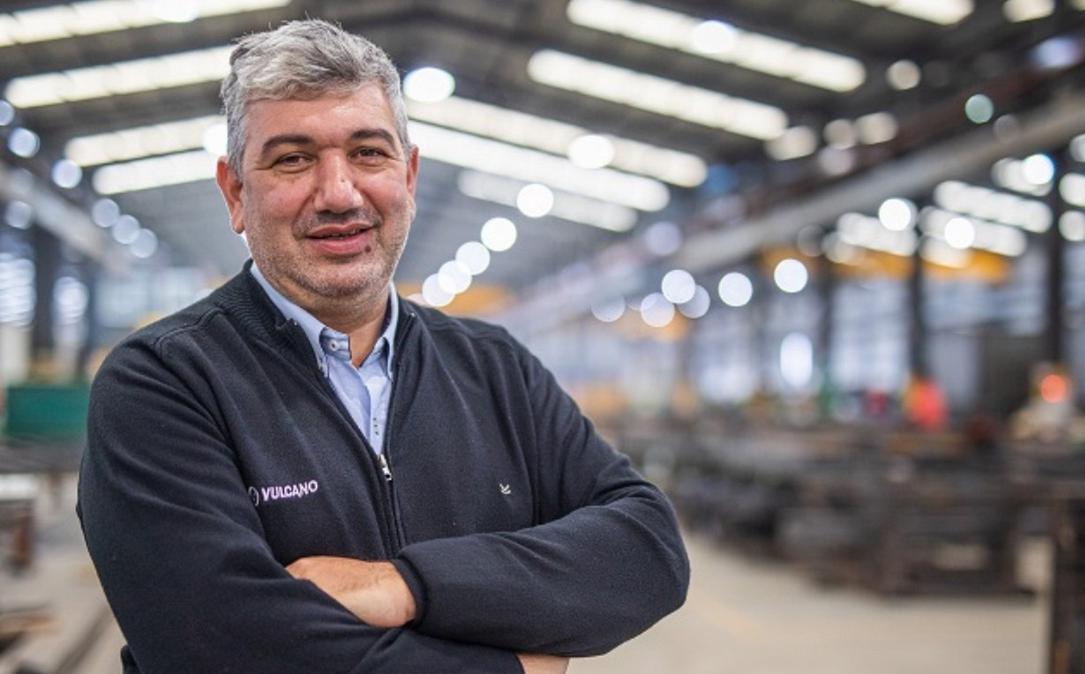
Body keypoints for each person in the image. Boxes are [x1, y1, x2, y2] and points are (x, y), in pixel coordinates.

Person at [77, 19, 689, 674]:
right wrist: (510, 669)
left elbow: (648, 549)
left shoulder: (495, 368)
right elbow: (218, 642)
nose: (339, 194)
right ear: (235, 193)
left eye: (368, 153)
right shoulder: (164, 381)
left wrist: (406, 586)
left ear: (410, 176)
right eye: (293, 159)